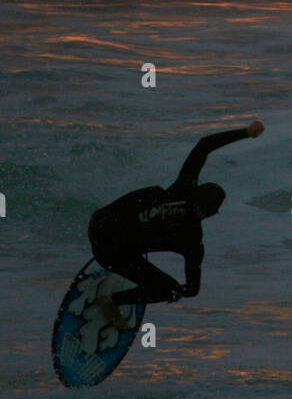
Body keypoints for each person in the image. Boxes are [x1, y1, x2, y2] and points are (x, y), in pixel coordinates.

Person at [88, 121, 265, 328]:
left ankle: (128, 260)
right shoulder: (193, 240)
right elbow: (192, 289)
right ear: (212, 214)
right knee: (168, 289)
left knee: (153, 194)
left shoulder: (184, 187)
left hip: (99, 223)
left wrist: (245, 132)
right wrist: (176, 291)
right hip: (110, 255)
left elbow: (204, 145)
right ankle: (111, 301)